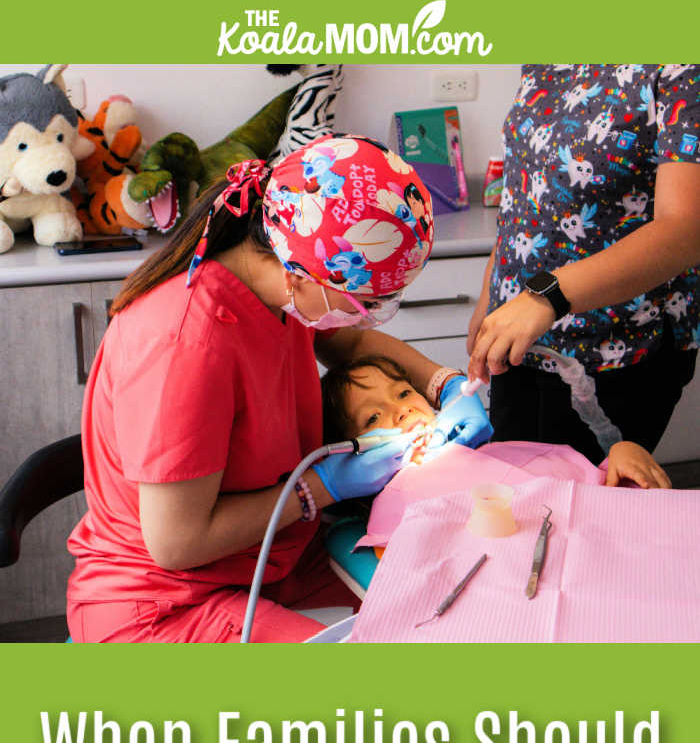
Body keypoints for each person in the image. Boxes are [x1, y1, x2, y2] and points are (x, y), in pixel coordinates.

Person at [66, 135, 491, 644]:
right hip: (165, 602)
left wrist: (445, 386)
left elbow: (349, 339)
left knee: (469, 600)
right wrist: (324, 486)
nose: (375, 312)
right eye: (368, 300)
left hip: (274, 554)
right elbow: (177, 543)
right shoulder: (183, 343)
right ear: (303, 273)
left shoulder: (279, 284)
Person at [466, 65, 700, 466]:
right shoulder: (548, 57)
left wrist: (546, 297)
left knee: (585, 508)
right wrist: (491, 298)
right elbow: (525, 198)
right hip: (521, 335)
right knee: (516, 494)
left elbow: (685, 229)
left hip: (615, 347)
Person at [322, 354, 672, 489]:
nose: (400, 411)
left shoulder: (506, 451)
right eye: (372, 417)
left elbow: (592, 484)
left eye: (402, 394)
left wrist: (621, 456)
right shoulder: (397, 504)